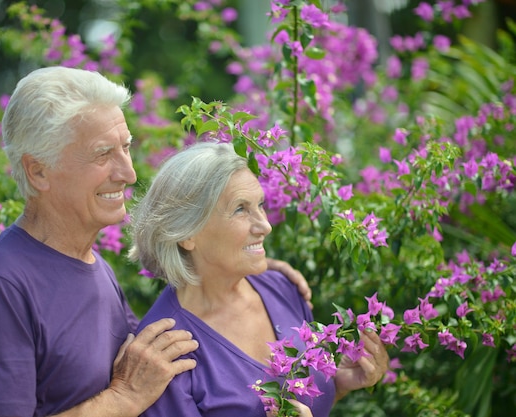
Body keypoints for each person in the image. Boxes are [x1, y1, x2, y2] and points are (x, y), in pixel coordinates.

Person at [0, 66, 312, 417]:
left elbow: (152, 360)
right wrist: (122, 399)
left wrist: (245, 269)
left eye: (126, 147)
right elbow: (133, 386)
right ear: (38, 170)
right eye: (104, 154)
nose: (128, 172)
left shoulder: (93, 267)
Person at [129, 142, 390, 417]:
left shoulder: (282, 288)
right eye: (240, 209)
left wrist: (340, 385)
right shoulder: (165, 352)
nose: (265, 225)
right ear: (186, 233)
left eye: (260, 205)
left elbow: (307, 405)